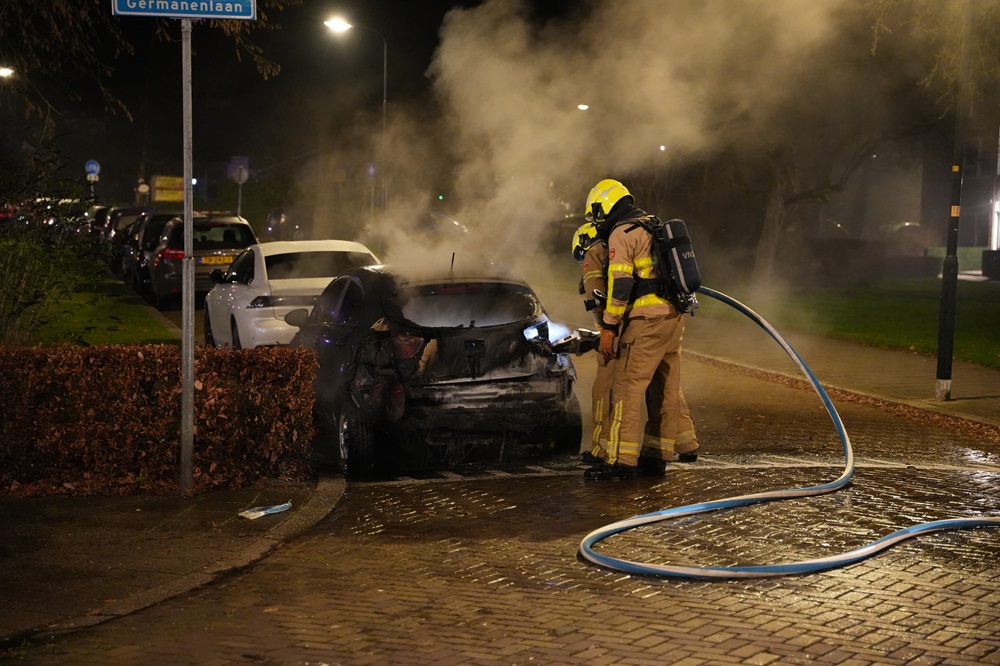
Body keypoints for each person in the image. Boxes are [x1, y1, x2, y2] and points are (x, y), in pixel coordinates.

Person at [582, 178, 699, 480]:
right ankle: (656, 457)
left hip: (646, 322)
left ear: (605, 207)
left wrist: (609, 327)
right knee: (666, 389)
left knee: (626, 388)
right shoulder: (650, 225)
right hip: (673, 318)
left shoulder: (623, 233)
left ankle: (621, 461)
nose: (597, 221)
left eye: (597, 213)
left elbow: (620, 286)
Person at [571, 220, 613, 464]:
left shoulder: (595, 253)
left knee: (603, 391)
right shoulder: (618, 246)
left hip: (618, 330)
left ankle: (603, 449)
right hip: (658, 323)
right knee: (664, 385)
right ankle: (685, 442)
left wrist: (603, 329)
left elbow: (596, 298)